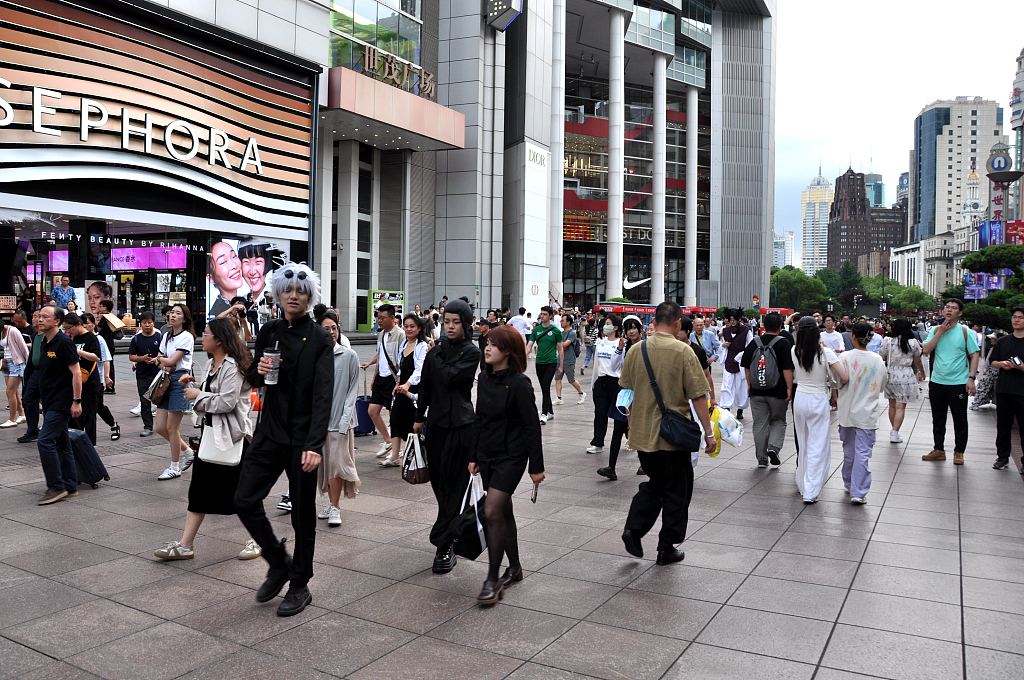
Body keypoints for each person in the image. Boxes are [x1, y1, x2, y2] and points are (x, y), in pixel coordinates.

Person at [236, 262, 334, 617]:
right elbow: (253, 377)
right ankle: (278, 560)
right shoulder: (269, 331)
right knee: (244, 499)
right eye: (288, 290)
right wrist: (257, 370)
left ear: (310, 297)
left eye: (301, 291)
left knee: (303, 515)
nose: (294, 296)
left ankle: (300, 583)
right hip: (269, 432)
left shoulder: (321, 338)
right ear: (277, 294)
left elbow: (324, 394)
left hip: (302, 440)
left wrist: (314, 444)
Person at [154, 318, 260, 561]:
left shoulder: (232, 366)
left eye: (207, 333)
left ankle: (257, 539)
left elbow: (227, 402)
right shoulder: (213, 363)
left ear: (219, 339)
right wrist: (193, 386)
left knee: (242, 493)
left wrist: (198, 395)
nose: (203, 337)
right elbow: (211, 395)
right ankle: (185, 545)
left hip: (233, 438)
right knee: (199, 490)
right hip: (212, 436)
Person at [619, 301, 716, 565]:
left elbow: (626, 389)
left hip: (642, 432)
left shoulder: (636, 350)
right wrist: (709, 433)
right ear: (676, 323)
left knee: (656, 483)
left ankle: (633, 529)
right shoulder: (683, 351)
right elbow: (698, 395)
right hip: (673, 436)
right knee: (678, 489)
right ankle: (666, 546)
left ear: (653, 321)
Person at [469, 326, 544, 604]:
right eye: (486, 343)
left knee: (491, 511)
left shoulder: (520, 383)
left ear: (509, 351)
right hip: (487, 455)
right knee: (503, 512)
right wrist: (474, 456)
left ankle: (492, 579)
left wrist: (536, 467)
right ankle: (515, 568)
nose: (487, 348)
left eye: (494, 345)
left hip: (511, 457)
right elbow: (479, 419)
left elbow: (531, 428)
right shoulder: (484, 379)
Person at [413, 299, 481, 574]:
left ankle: (444, 544)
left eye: (456, 322)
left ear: (466, 324)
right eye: (447, 321)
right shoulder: (435, 352)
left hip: (463, 427)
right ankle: (450, 531)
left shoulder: (472, 352)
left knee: (456, 484)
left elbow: (451, 377)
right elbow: (426, 386)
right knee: (440, 484)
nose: (450, 327)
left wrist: (435, 352)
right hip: (437, 426)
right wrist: (419, 418)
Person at [791, 316, 848, 504]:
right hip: (818, 399)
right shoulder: (825, 352)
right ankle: (811, 489)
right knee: (818, 444)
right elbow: (844, 377)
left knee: (804, 442)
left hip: (800, 398)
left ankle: (802, 483)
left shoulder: (794, 350)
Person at [34, 306, 84, 505]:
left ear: (57, 321)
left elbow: (77, 373)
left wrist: (76, 401)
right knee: (62, 444)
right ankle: (70, 487)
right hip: (49, 401)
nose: (40, 319)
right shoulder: (45, 342)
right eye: (39, 316)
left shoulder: (63, 342)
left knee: (44, 442)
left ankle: (56, 486)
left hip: (61, 402)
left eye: (45, 317)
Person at [921, 299, 980, 465]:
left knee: (960, 419)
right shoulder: (934, 330)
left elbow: (975, 354)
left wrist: (971, 378)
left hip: (958, 383)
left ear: (959, 313)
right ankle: (938, 449)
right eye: (947, 307)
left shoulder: (964, 331)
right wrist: (940, 333)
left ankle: (959, 451)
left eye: (954, 308)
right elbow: (925, 350)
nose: (949, 310)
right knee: (938, 418)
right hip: (937, 381)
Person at [315, 310, 361, 525]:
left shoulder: (349, 355)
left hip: (340, 421)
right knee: (325, 466)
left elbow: (352, 391)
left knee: (338, 464)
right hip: (319, 421)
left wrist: (344, 420)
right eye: (326, 329)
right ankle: (332, 503)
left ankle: (335, 508)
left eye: (334, 328)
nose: (331, 332)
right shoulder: (314, 356)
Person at [837, 322, 887, 504]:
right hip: (867, 413)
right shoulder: (877, 360)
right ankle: (858, 491)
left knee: (849, 450)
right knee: (863, 453)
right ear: (870, 337)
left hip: (846, 412)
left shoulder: (844, 357)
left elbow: (837, 381)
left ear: (853, 336)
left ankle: (849, 482)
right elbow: (882, 385)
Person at [741, 312, 794, 468]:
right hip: (777, 392)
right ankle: (773, 447)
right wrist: (789, 388)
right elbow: (787, 369)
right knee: (778, 420)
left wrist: (750, 384)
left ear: (763, 326)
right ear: (780, 327)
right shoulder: (783, 343)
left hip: (757, 391)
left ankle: (762, 459)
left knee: (759, 424)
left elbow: (746, 366)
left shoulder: (754, 343)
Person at [154, 304, 197, 480]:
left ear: (184, 319)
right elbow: (161, 361)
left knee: (172, 428)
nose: (173, 315)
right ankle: (188, 452)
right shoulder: (166, 336)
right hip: (165, 380)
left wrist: (163, 361)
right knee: (160, 427)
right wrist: (163, 361)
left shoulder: (187, 337)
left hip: (180, 381)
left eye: (178, 313)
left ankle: (175, 467)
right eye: (172, 312)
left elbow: (171, 361)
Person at [360, 304, 403, 459]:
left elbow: (402, 360)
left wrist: (399, 381)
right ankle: (388, 441)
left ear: (393, 318)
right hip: (380, 379)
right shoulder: (381, 335)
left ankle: (396, 451)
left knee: (394, 416)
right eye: (378, 318)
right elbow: (381, 355)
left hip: (393, 380)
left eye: (383, 318)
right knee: (372, 411)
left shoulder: (400, 335)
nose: (380, 321)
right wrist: (373, 373)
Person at [385, 313, 429, 467]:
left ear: (419, 329)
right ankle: (395, 455)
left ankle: (415, 456)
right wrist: (398, 384)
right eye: (406, 326)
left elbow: (419, 370)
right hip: (402, 388)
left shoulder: (421, 346)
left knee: (413, 423)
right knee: (395, 418)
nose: (409, 329)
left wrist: (407, 385)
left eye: (412, 326)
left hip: (414, 389)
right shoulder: (404, 344)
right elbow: (400, 368)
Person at [588, 315, 629, 479]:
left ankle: (628, 437)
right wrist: (594, 383)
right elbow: (596, 364)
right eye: (604, 324)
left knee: (619, 417)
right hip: (601, 381)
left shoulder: (622, 344)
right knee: (600, 412)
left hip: (617, 382)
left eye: (608, 324)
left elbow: (624, 365)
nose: (604, 327)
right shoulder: (600, 342)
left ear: (616, 328)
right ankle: (598, 442)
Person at [879, 318, 924, 443]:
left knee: (892, 405)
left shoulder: (887, 341)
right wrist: (922, 372)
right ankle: (895, 432)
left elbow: (882, 357)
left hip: (891, 374)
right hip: (906, 374)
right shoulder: (913, 342)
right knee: (900, 407)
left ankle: (894, 430)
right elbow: (918, 360)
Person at [990, 308, 1024, 470]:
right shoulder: (1003, 341)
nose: (1016, 320)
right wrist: (1002, 364)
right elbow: (992, 362)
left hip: (1022, 391)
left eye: (1020, 318)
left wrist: (1021, 367)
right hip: (1004, 390)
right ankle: (1002, 456)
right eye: (1014, 317)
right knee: (1003, 425)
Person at [62, 313, 102, 444]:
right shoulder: (71, 338)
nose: (68, 331)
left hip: (90, 381)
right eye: (65, 329)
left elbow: (97, 357)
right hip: (75, 381)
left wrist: (78, 351)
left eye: (69, 328)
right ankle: (78, 442)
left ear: (78, 324)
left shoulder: (90, 337)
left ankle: (90, 444)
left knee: (89, 416)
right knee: (76, 416)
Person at [80, 313, 120, 441]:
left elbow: (106, 359)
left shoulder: (98, 339)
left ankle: (113, 425)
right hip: (81, 379)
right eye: (82, 323)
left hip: (96, 379)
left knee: (97, 406)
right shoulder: (78, 338)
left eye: (87, 323)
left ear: (93, 324)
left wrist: (107, 377)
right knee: (89, 407)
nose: (85, 326)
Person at [526, 306, 563, 423]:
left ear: (551, 316)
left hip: (551, 362)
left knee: (546, 386)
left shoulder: (556, 331)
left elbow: (561, 349)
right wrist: (522, 357)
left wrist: (561, 365)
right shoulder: (536, 330)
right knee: (543, 388)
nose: (542, 316)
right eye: (541, 314)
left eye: (545, 314)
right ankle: (550, 412)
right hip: (539, 362)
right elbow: (529, 345)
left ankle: (544, 413)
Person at [128, 312, 161, 437]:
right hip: (142, 374)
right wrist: (142, 359)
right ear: (140, 324)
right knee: (145, 401)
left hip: (158, 374)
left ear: (153, 323)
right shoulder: (136, 339)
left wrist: (156, 359)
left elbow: (164, 352)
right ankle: (148, 426)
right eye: (145, 322)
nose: (147, 325)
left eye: (150, 322)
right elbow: (131, 356)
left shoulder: (159, 337)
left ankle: (166, 424)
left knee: (162, 399)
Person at [14, 311, 41, 443]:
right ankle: (32, 430)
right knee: (28, 400)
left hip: (47, 374)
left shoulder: (53, 337)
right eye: (35, 316)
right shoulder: (36, 335)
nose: (35, 319)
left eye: (39, 316)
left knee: (48, 403)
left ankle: (50, 429)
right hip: (34, 373)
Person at [720, 311, 750, 420]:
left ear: (738, 319)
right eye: (730, 320)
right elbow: (721, 346)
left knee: (740, 386)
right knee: (727, 385)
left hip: (740, 363)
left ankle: (740, 409)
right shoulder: (725, 330)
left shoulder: (746, 331)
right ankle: (727, 407)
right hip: (729, 361)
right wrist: (723, 345)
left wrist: (740, 357)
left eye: (734, 320)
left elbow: (750, 347)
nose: (732, 322)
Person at [0, 318, 28, 428]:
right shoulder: (2, 332)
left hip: (17, 363)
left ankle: (12, 419)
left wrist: (28, 364)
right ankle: (21, 414)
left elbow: (24, 348)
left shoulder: (13, 331)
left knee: (9, 391)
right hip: (6, 362)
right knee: (14, 391)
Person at [554, 313, 585, 405]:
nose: (561, 322)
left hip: (569, 360)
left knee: (571, 380)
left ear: (568, 322)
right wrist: (561, 346)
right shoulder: (560, 333)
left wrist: (561, 345)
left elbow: (564, 345)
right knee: (557, 378)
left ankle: (581, 393)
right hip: (560, 359)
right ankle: (559, 398)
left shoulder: (572, 333)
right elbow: (558, 346)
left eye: (563, 321)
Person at [208, 239, 244, 319]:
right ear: (211, 278)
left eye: (234, 256)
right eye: (223, 262)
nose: (234, 265)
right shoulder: (217, 311)